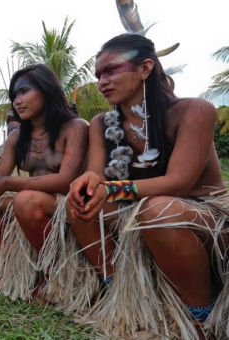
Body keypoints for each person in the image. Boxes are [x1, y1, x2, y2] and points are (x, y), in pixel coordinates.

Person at [63, 34, 229, 339]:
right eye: (99, 74)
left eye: (112, 70)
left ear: (145, 68)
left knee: (158, 209)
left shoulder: (194, 111)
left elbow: (178, 183)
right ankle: (122, 295)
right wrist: (86, 183)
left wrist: (113, 190)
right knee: (81, 204)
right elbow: (96, 174)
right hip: (139, 213)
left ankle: (201, 318)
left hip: (207, 219)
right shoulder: (102, 123)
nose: (102, 80)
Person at [0, 64, 89, 302]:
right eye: (14, 96)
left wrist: (6, 183)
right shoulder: (16, 137)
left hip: (66, 204)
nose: (17, 101)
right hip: (30, 202)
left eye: (24, 92)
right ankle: (15, 262)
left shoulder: (75, 127)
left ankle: (56, 274)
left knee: (26, 200)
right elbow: (0, 176)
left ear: (46, 90)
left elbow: (66, 181)